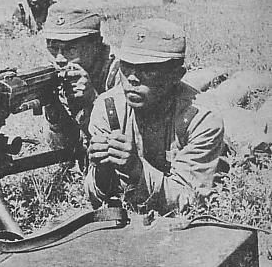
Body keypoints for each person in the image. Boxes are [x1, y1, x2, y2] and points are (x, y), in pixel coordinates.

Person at [85, 18, 225, 214]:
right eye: (127, 66)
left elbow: (190, 202)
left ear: (176, 75)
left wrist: (136, 169)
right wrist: (101, 171)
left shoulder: (202, 121)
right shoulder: (108, 108)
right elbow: (98, 199)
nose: (132, 77)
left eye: (147, 69)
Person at [42, 9, 115, 167]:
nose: (59, 59)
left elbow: (125, 144)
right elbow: (61, 148)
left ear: (96, 44)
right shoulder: (62, 73)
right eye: (53, 48)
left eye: (70, 49)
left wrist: (93, 100)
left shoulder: (120, 74)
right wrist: (54, 112)